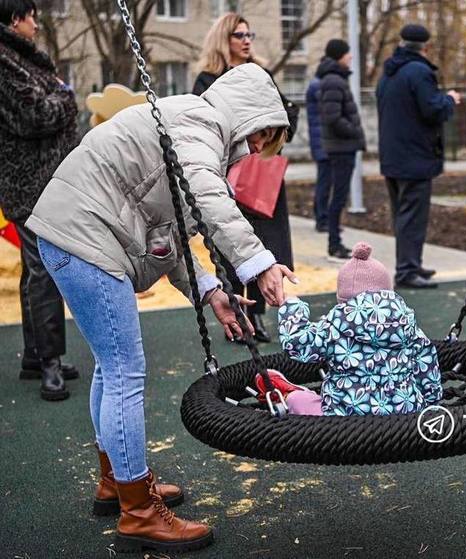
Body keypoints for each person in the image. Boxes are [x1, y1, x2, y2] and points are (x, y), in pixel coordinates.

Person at [27, 63, 297, 553]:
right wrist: (260, 263)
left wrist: (212, 290)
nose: (258, 149)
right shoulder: (199, 124)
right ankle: (139, 513)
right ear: (247, 116)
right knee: (125, 371)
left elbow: (167, 235)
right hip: (85, 237)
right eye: (262, 136)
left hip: (72, 233)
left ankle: (118, 482)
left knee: (112, 372)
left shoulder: (187, 122)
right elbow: (211, 201)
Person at [193, 13, 298, 344]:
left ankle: (258, 315)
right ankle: (238, 314)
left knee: (267, 239)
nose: (246, 40)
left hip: (263, 177)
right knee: (231, 239)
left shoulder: (261, 75)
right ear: (224, 39)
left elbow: (283, 120)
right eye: (238, 35)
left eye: (249, 34)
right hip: (230, 176)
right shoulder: (209, 80)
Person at [255, 242, 442, 416]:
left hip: (343, 420)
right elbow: (427, 365)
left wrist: (291, 306)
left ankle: (293, 394)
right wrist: (430, 403)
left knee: (298, 401)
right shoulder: (407, 323)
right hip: (403, 415)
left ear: (343, 300)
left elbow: (298, 345)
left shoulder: (335, 326)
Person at [0, 0, 80, 401]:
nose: (37, 23)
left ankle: (36, 355)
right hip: (29, 183)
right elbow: (34, 116)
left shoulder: (21, 59)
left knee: (36, 270)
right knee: (45, 269)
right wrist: (67, 99)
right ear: (16, 19)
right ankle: (49, 362)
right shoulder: (6, 63)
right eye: (31, 16)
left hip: (38, 180)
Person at [376, 24, 461, 289]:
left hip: (393, 157)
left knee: (402, 216)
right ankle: (407, 270)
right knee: (412, 216)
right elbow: (432, 110)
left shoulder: (389, 73)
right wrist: (449, 99)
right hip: (415, 157)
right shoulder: (420, 72)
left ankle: (410, 264)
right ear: (425, 47)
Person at [317, 38, 366, 260]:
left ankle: (335, 242)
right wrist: (355, 131)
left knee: (338, 195)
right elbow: (333, 117)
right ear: (339, 56)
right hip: (342, 147)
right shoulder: (334, 81)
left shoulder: (334, 79)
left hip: (342, 147)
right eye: (347, 53)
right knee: (339, 196)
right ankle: (334, 245)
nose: (351, 56)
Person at [305, 60, 331, 233]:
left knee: (325, 181)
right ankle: (321, 219)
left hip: (321, 141)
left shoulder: (315, 85)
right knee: (325, 182)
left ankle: (321, 217)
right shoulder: (318, 87)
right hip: (323, 142)